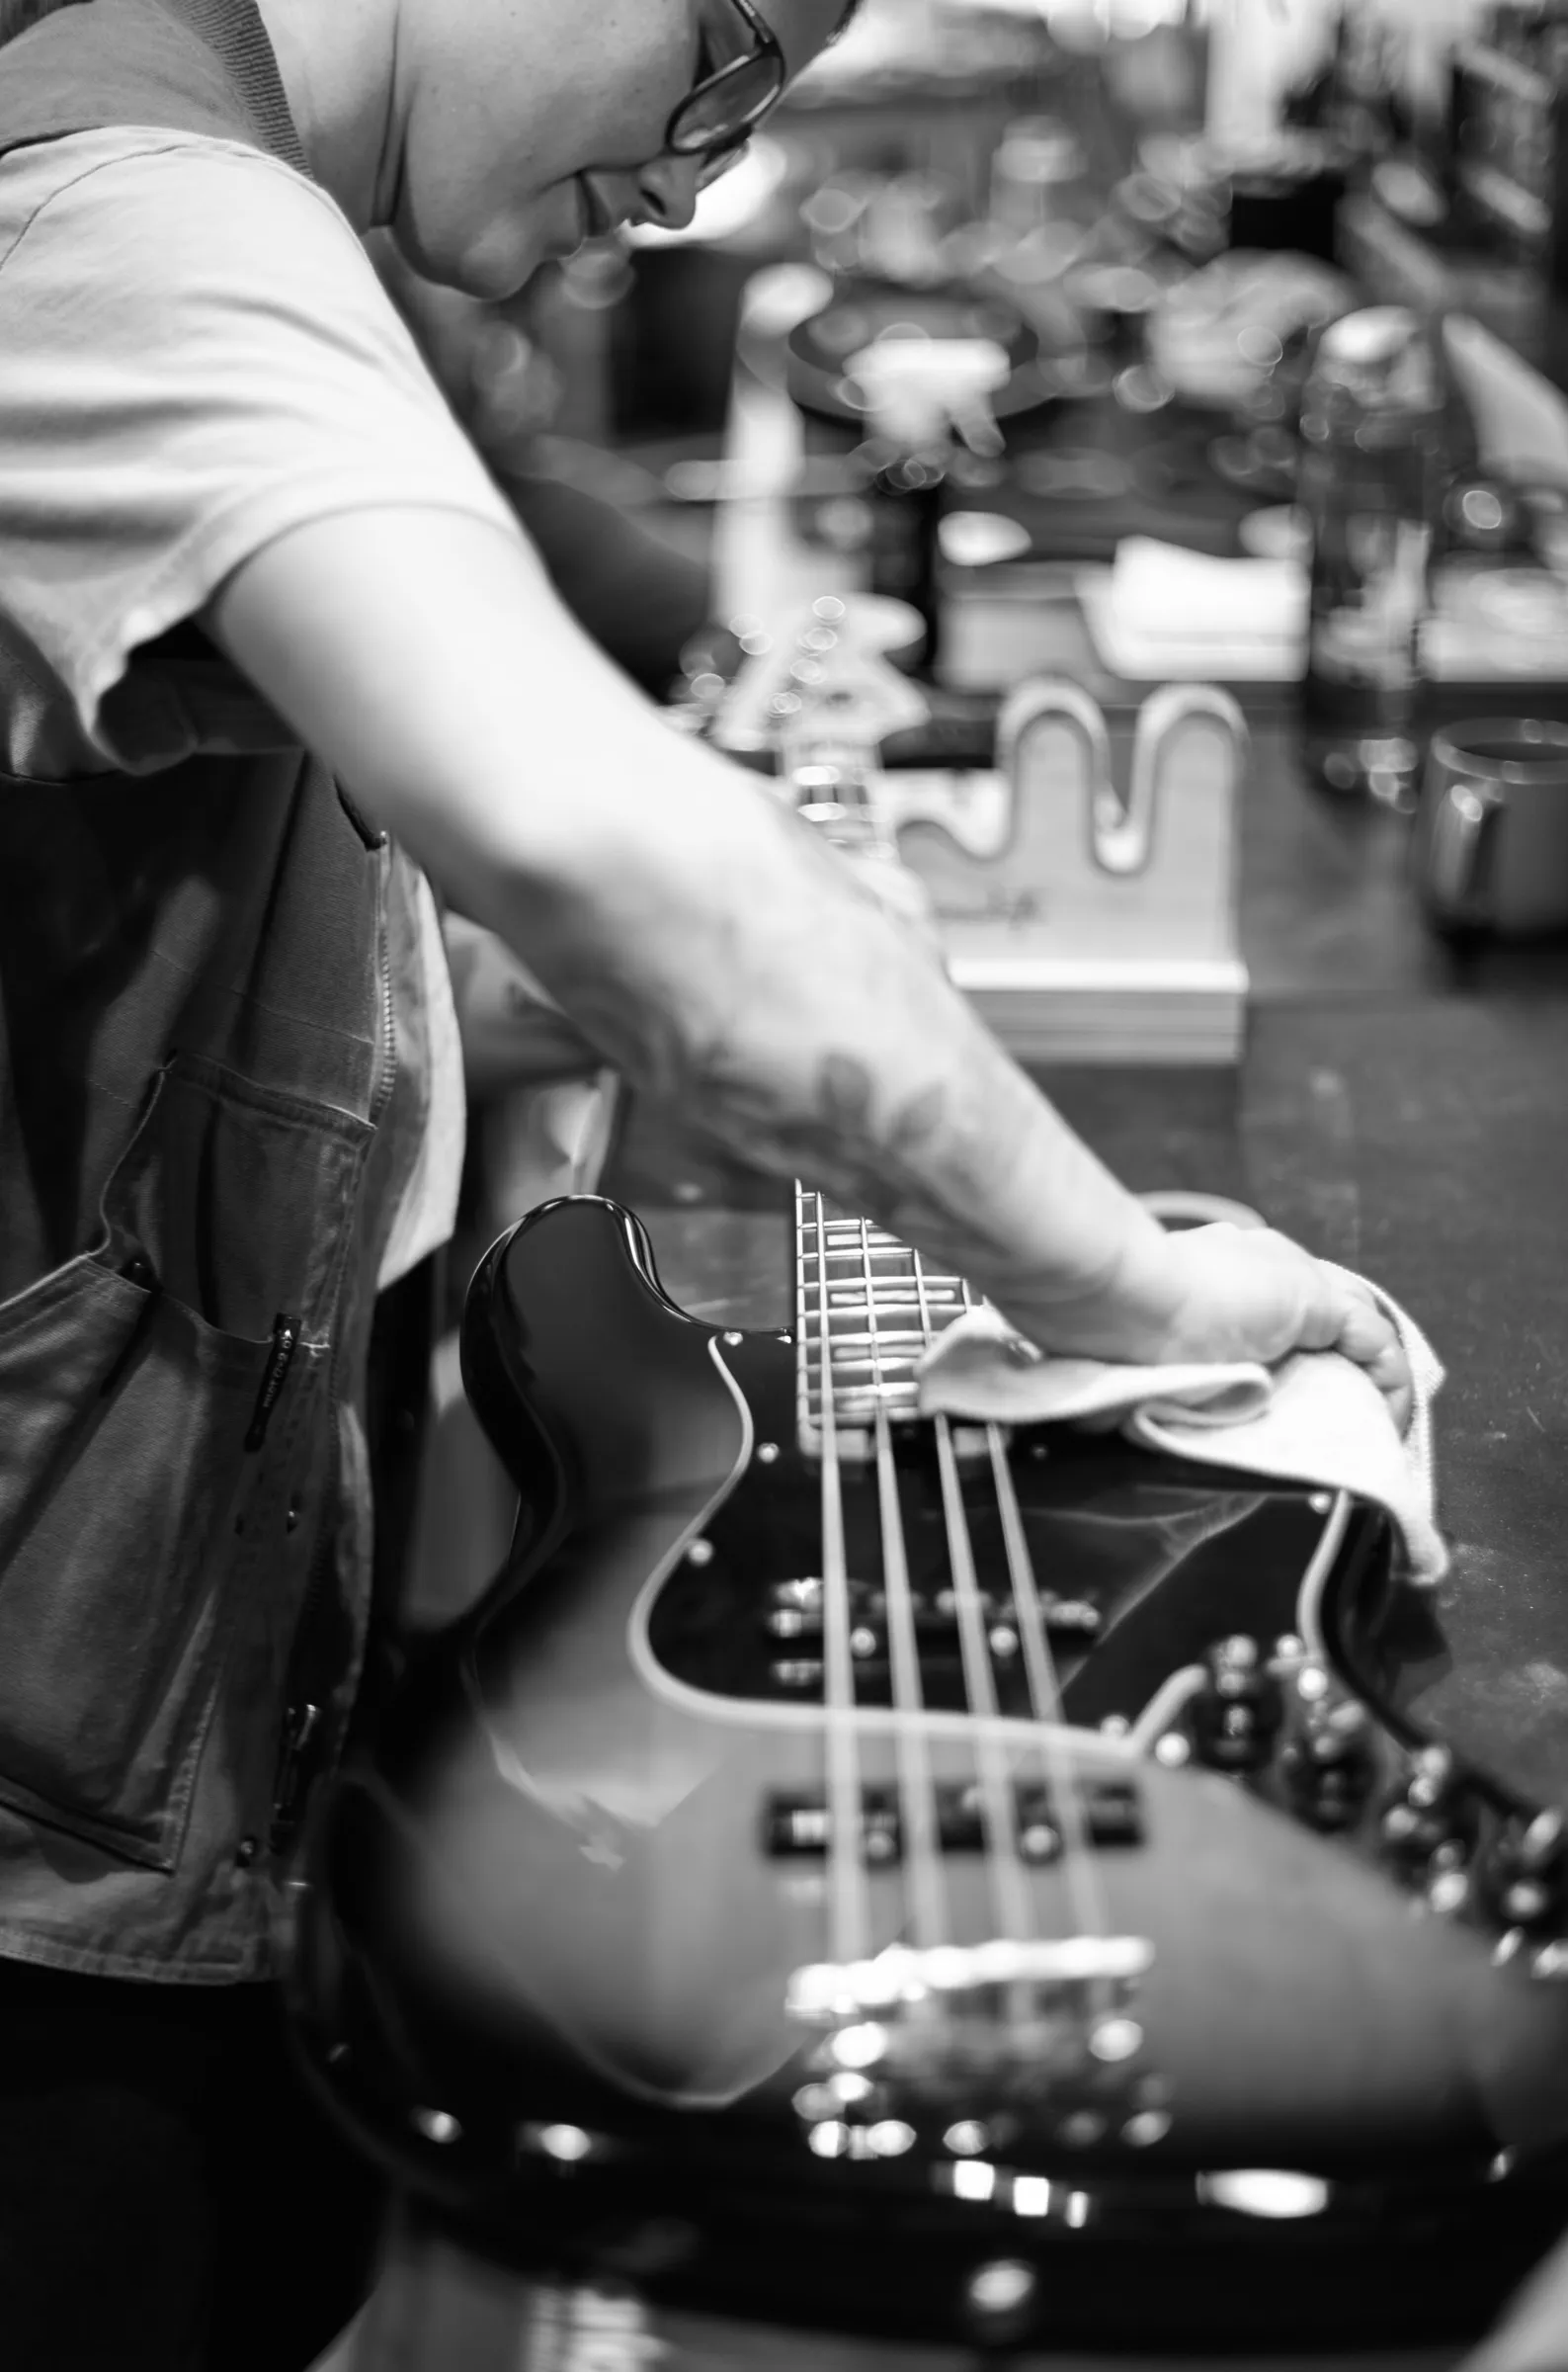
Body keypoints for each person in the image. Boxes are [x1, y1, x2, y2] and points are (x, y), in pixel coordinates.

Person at [0, 2, 1412, 2366]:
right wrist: (1115, 1288)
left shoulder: (225, 189)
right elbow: (613, 863)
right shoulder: (129, 215)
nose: (705, 167)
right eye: (728, 35)